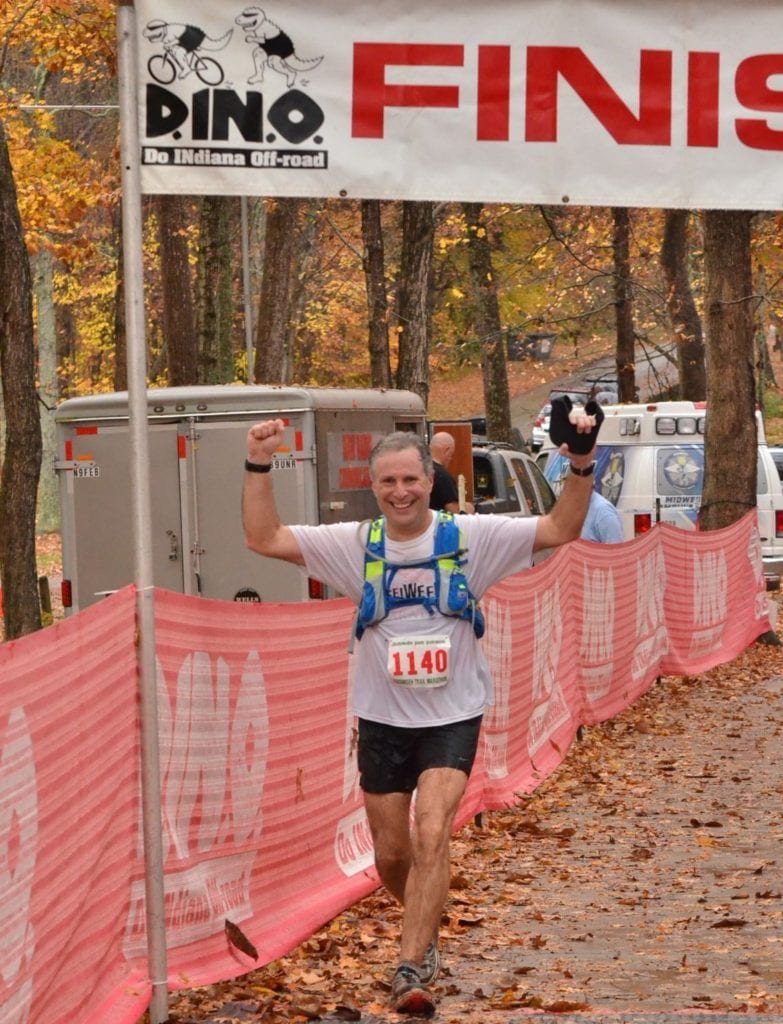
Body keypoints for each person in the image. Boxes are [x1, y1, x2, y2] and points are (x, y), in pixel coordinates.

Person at [242, 410, 600, 1016]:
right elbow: (264, 537)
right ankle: (423, 917)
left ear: (430, 479)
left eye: (411, 480)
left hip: (453, 713)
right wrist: (257, 462)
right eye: (388, 483)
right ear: (374, 487)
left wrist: (582, 463)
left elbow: (561, 527)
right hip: (381, 717)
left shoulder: (471, 539)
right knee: (391, 853)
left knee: (433, 830)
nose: (401, 492)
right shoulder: (354, 544)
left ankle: (410, 969)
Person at [428, 432, 475, 514]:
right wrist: (471, 507)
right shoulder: (442, 476)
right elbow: (455, 510)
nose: (450, 458)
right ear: (446, 450)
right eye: (451, 454)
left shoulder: (420, 469)